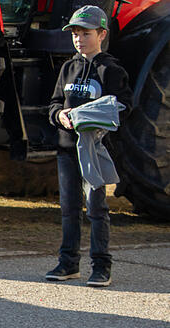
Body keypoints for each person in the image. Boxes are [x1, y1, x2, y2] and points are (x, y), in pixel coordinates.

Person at [45, 5, 131, 288]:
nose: (79, 39)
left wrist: (91, 119)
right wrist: (60, 116)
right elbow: (55, 104)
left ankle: (101, 266)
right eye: (76, 34)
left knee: (96, 208)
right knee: (69, 208)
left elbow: (124, 108)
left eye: (86, 33)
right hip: (67, 149)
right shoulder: (68, 68)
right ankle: (68, 264)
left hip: (95, 151)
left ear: (102, 34)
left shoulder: (111, 70)